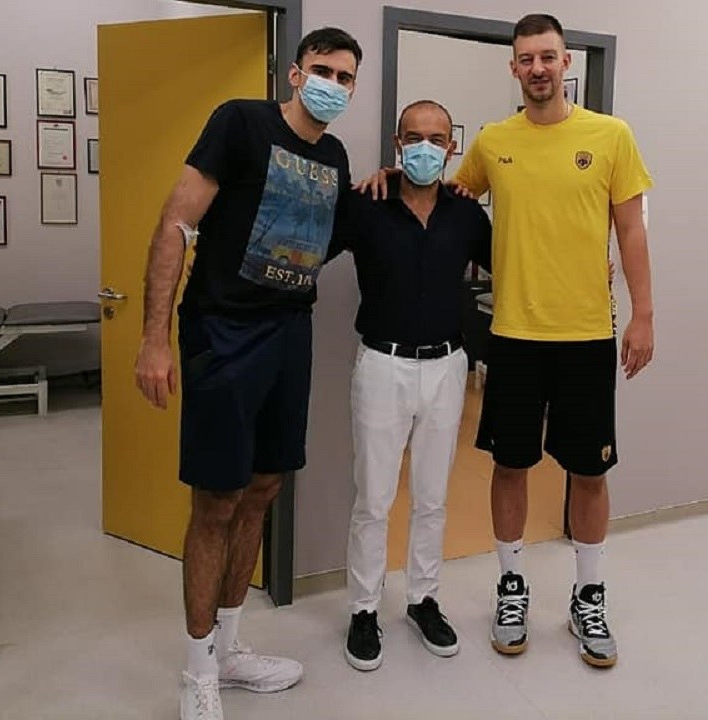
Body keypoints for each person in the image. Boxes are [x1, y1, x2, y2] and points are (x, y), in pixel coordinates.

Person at [358, 13, 654, 669]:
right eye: (527, 58)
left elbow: (632, 229)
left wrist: (645, 316)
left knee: (590, 471)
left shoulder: (611, 136)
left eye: (548, 56)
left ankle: (588, 595)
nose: (538, 68)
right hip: (514, 335)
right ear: (514, 67)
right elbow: (442, 189)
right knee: (510, 466)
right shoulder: (494, 142)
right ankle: (512, 588)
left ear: (566, 62)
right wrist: (389, 174)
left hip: (586, 336)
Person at [132, 27, 362, 720]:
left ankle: (230, 650)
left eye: (346, 78)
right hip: (223, 333)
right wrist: (154, 339)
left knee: (264, 488)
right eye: (323, 70)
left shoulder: (334, 156)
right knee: (217, 501)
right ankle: (197, 670)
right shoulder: (240, 122)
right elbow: (175, 224)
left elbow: (330, 235)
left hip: (290, 332)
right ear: (295, 73)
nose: (333, 85)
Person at [334, 100, 493, 672]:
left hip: (447, 367)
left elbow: (514, 265)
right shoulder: (366, 203)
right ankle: (363, 608)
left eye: (437, 138)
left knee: (432, 496)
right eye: (414, 137)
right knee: (373, 498)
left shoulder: (465, 213)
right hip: (383, 364)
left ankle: (423, 599)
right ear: (398, 144)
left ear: (452, 147)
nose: (426, 147)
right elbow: (306, 251)